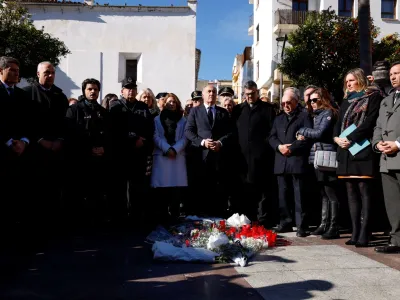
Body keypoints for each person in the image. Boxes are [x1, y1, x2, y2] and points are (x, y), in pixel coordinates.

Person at [333, 68, 382, 247]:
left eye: (352, 80)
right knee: (351, 193)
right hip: (346, 152)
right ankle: (355, 231)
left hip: (362, 150)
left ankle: (365, 233)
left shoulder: (372, 96)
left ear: (360, 80)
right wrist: (337, 139)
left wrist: (351, 138)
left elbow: (370, 122)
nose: (348, 84)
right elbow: (338, 124)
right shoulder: (346, 100)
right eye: (347, 81)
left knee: (364, 192)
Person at [23, 61, 69, 233]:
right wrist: (40, 139)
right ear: (38, 74)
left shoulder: (60, 96)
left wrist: (60, 140)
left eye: (52, 72)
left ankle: (53, 227)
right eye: (46, 73)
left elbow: (65, 122)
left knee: (55, 190)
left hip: (56, 150)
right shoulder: (27, 94)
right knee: (35, 191)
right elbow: (24, 122)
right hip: (35, 150)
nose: (50, 75)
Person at [108, 77, 154, 226]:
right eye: (128, 88)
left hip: (139, 153)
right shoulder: (115, 106)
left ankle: (135, 218)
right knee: (120, 187)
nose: (131, 91)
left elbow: (149, 128)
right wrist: (131, 138)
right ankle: (119, 218)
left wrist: (142, 140)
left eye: (133, 88)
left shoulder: (143, 107)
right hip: (121, 153)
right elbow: (113, 129)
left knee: (137, 187)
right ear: (122, 91)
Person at [269, 87, 313, 237]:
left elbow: (307, 137)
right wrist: (279, 147)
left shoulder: (304, 116)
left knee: (299, 195)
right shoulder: (278, 118)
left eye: (288, 102)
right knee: (283, 194)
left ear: (295, 101)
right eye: (283, 103)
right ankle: (285, 222)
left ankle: (302, 225)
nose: (285, 105)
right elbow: (271, 137)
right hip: (281, 161)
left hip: (296, 161)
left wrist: (292, 148)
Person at [297, 88, 340, 239]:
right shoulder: (316, 115)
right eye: (310, 101)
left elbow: (319, 133)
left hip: (326, 155)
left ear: (323, 98)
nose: (312, 103)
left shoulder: (328, 113)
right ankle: (324, 223)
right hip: (316, 156)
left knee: (331, 192)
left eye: (315, 100)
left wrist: (303, 130)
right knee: (323, 192)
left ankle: (333, 226)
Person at [65, 78, 108, 229]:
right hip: (80, 160)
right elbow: (70, 135)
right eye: (90, 89)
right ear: (84, 90)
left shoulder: (103, 112)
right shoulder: (74, 110)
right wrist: (89, 149)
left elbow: (109, 135)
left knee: (96, 193)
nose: (93, 92)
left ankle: (95, 224)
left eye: (95, 89)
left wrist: (104, 148)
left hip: (99, 161)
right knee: (78, 194)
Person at [232, 80, 276, 226]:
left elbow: (272, 132)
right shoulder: (238, 110)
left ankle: (263, 220)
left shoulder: (268, 109)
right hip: (242, 157)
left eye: (252, 93)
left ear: (257, 92)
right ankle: (247, 218)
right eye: (247, 94)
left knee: (263, 190)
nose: (250, 97)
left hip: (262, 157)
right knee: (246, 189)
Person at [185, 84, 233, 216]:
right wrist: (202, 142)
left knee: (217, 189)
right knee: (200, 188)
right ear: (204, 95)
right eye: (209, 91)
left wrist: (220, 143)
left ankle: (217, 217)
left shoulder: (222, 112)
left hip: (218, 157)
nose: (211, 94)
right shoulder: (195, 111)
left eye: (214, 92)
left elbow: (230, 133)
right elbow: (188, 131)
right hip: (200, 156)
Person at [0, 56, 32, 229]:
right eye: (12, 70)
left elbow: (28, 122)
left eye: (18, 71)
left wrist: (24, 141)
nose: (16, 74)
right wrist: (9, 141)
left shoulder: (22, 95)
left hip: (20, 153)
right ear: (1, 71)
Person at [373, 61, 400, 254]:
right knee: (392, 203)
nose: (393, 76)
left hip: (398, 153)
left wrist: (397, 144)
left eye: (397, 73)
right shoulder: (386, 100)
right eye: (391, 74)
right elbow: (378, 127)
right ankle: (396, 240)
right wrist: (377, 144)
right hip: (386, 159)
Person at [151, 93, 188, 224]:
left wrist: (175, 149)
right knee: (162, 191)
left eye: (174, 102)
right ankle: (161, 220)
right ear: (164, 103)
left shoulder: (183, 120)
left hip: (177, 158)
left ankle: (175, 219)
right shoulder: (156, 119)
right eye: (169, 101)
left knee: (175, 192)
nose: (171, 104)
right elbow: (155, 136)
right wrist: (167, 148)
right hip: (162, 157)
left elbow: (185, 138)